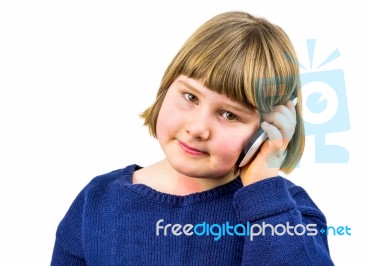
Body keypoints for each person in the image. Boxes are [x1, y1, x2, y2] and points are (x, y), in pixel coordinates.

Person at [51, 11, 334, 265]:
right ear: (166, 87)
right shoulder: (97, 201)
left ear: (268, 128)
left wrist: (263, 193)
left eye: (229, 115)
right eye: (190, 96)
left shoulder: (286, 213)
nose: (198, 128)